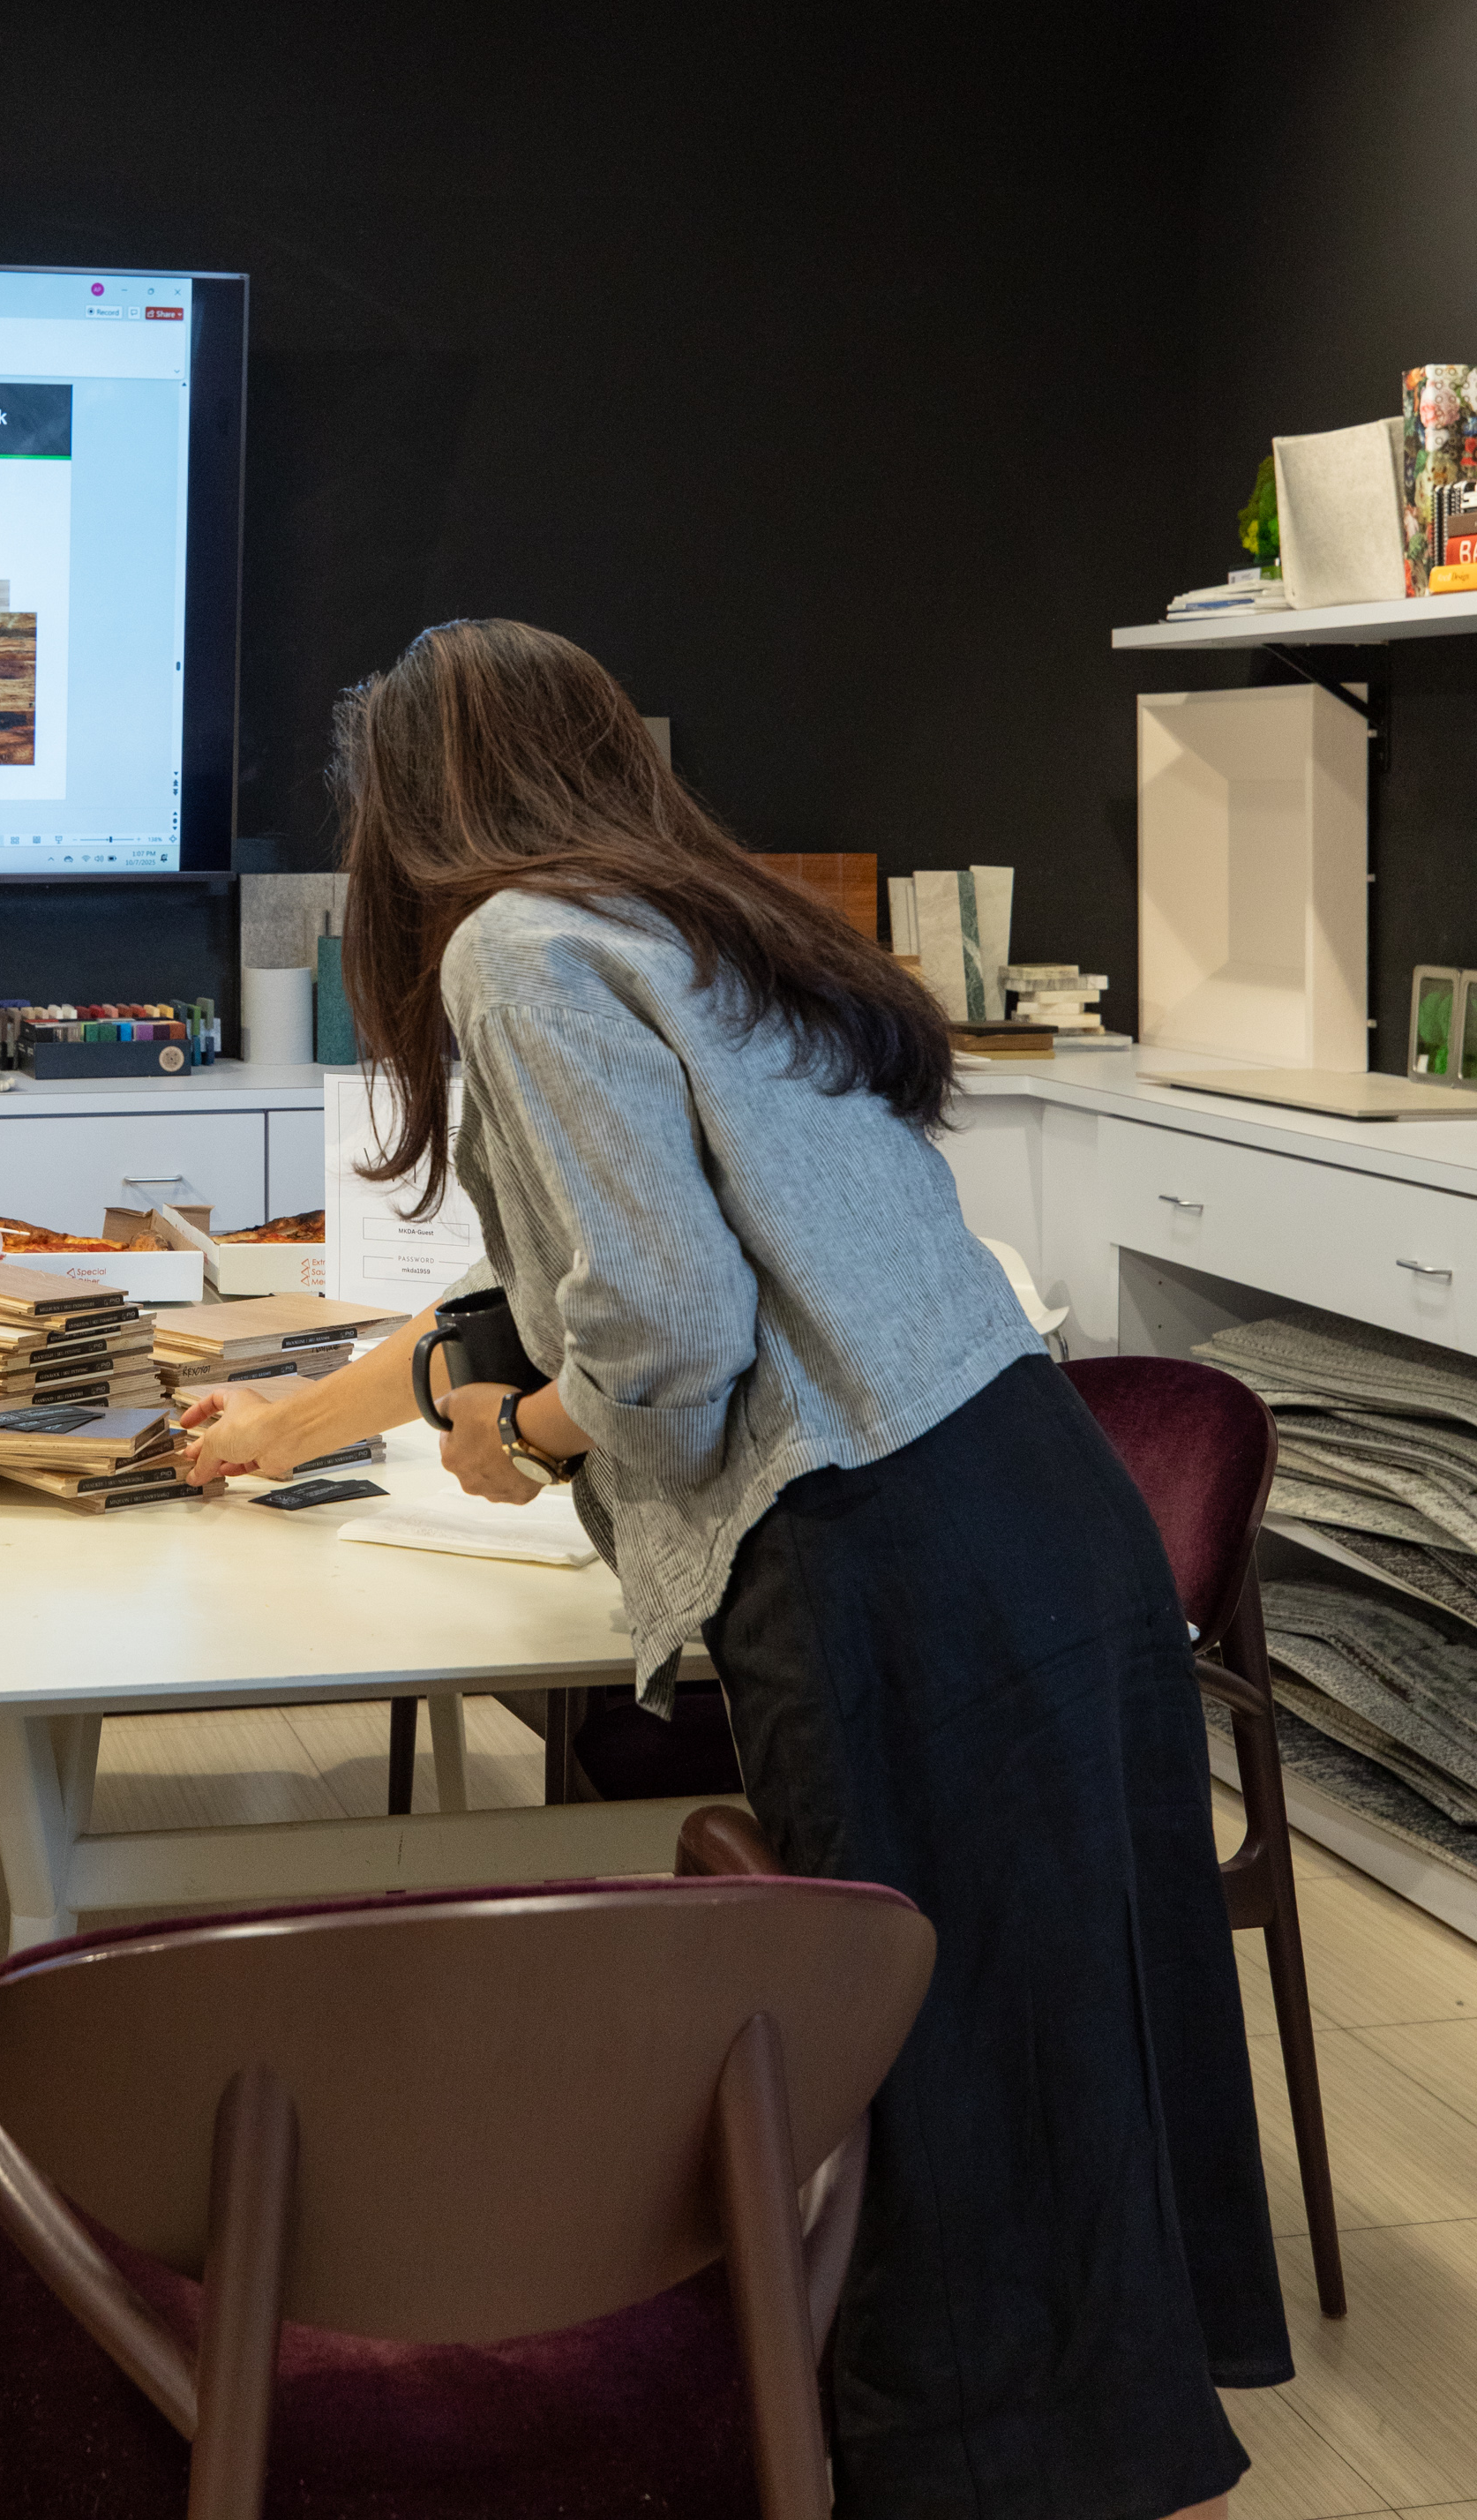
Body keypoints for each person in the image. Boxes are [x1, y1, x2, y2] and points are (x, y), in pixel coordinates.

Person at [184, 617, 1291, 2520]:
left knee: (923, 2043)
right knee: (1055, 2009)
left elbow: (663, 1329)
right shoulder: (701, 920)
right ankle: (1104, 2425)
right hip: (1039, 1495)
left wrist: (527, 1438)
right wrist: (302, 1420)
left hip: (886, 1553)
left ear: (413, 804)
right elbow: (558, 1292)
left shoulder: (513, 949)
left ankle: (974, 2468)